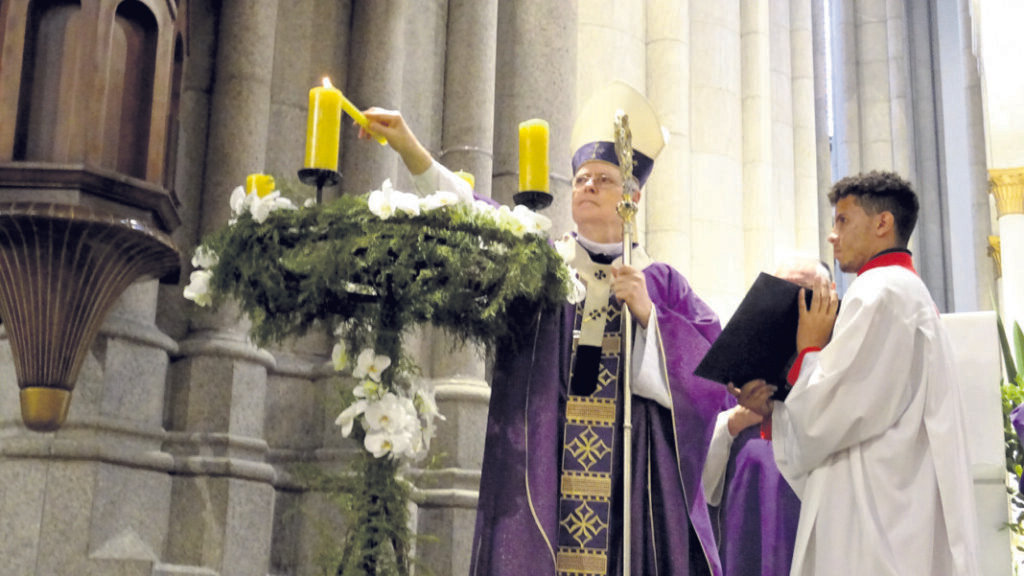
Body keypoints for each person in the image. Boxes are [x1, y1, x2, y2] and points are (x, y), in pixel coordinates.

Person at [360, 82, 733, 575]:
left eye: (603, 178)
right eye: (580, 178)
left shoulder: (661, 283)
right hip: (547, 475)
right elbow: (470, 211)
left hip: (632, 495)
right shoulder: (540, 262)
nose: (587, 187)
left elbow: (717, 376)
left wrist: (650, 318)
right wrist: (410, 147)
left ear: (633, 198)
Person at [731, 171, 981, 576]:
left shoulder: (878, 292)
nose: (833, 235)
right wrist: (775, 409)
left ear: (883, 223)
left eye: (843, 220)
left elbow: (828, 416)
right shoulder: (905, 291)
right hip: (892, 500)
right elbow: (857, 403)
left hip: (872, 518)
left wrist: (810, 345)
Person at [701, 256, 832, 576]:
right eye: (783, 291)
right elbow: (693, 463)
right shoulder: (738, 352)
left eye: (804, 294)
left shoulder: (840, 356)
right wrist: (735, 421)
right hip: (747, 503)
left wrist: (780, 412)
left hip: (814, 500)